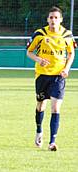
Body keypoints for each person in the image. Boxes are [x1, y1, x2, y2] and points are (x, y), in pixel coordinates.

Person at [26, 6, 76, 151]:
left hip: (58, 77)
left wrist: (66, 68)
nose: (53, 20)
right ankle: (39, 131)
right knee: (41, 105)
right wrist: (38, 59)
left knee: (55, 108)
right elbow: (29, 52)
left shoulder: (67, 35)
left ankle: (52, 142)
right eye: (51, 17)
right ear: (47, 19)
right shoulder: (40, 34)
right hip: (42, 76)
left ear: (61, 20)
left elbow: (71, 53)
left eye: (56, 17)